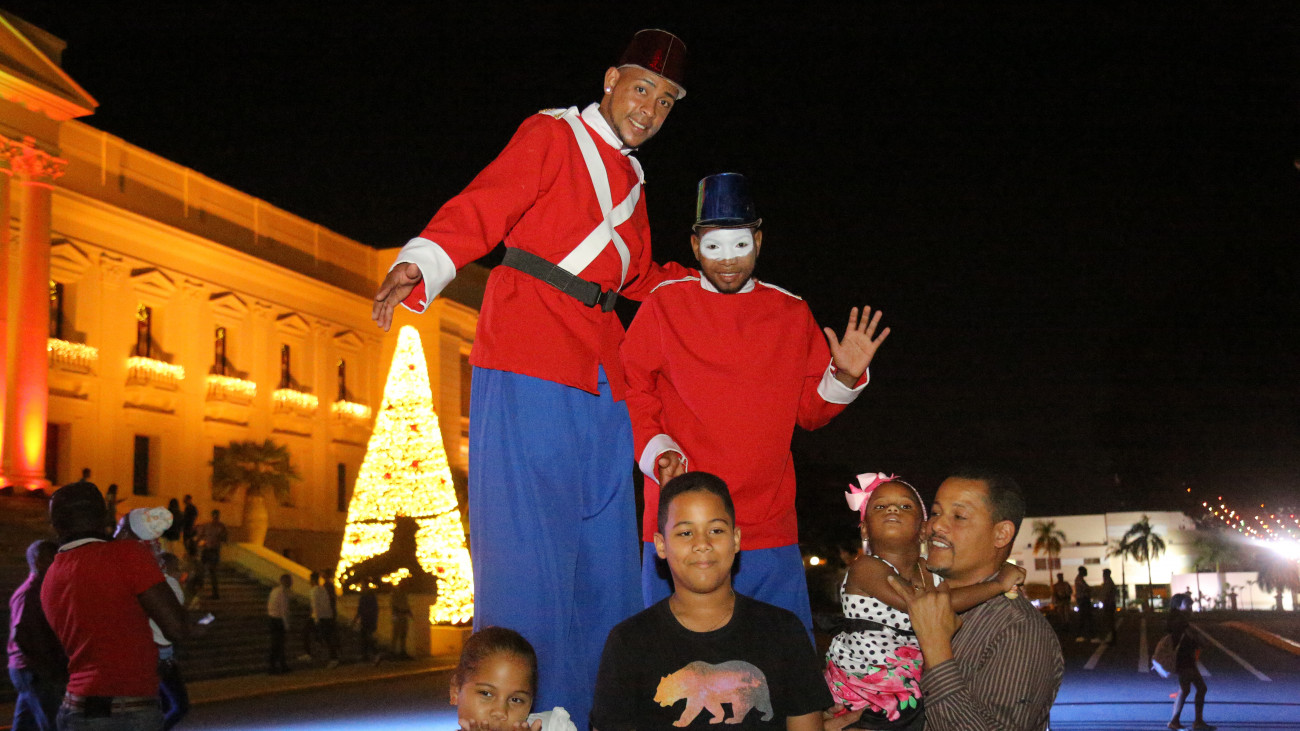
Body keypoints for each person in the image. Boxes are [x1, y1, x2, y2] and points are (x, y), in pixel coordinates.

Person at [370, 28, 692, 725]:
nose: (650, 108)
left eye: (667, 100)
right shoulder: (552, 134)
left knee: (605, 559)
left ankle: (602, 711)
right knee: (526, 551)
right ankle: (519, 714)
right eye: (642, 88)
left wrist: (713, 283)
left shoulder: (634, 182)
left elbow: (638, 275)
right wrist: (422, 261)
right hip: (531, 349)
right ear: (610, 80)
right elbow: (484, 204)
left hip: (603, 371)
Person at [621, 173, 890, 630]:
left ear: (759, 241)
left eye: (740, 244)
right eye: (714, 246)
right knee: (676, 658)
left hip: (768, 523)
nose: (728, 260)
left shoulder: (792, 312)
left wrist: (844, 375)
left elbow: (810, 412)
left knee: (779, 656)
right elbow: (633, 389)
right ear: (694, 245)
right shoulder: (663, 305)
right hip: (683, 523)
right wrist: (657, 449)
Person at [592, 472, 831, 731]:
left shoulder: (783, 631)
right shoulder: (629, 642)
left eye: (716, 530)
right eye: (685, 533)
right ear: (661, 545)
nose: (702, 544)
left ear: (736, 539)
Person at [824, 474, 1025, 729]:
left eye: (905, 506)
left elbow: (953, 594)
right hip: (862, 686)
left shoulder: (928, 572)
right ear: (864, 529)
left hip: (905, 690)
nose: (892, 509)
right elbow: (930, 605)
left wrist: (993, 573)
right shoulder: (866, 567)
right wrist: (997, 585)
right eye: (880, 506)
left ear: (922, 530)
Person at [881, 468, 1063, 731]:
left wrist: (936, 648)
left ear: (1001, 534)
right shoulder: (919, 599)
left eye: (959, 516)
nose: (936, 526)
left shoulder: (1017, 629)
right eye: (935, 513)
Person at [41, 481, 188, 731]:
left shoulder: (51, 576)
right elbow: (176, 628)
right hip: (126, 711)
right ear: (104, 515)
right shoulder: (128, 555)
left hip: (74, 708)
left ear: (54, 525)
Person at [450, 626, 578, 731]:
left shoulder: (554, 727)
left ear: (530, 703)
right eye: (486, 693)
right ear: (455, 691)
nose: (500, 712)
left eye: (516, 700)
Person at [8, 540, 66, 731]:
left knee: (27, 723)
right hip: (34, 670)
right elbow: (23, 634)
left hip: (30, 669)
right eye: (52, 557)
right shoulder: (32, 592)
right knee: (54, 723)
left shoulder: (41, 589)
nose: (57, 562)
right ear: (38, 560)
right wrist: (49, 669)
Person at [155, 554, 189, 731]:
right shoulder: (169, 583)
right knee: (180, 705)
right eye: (177, 568)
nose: (180, 573)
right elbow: (174, 620)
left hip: (157, 652)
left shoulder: (155, 585)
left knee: (165, 704)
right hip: (162, 655)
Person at [1166, 607, 1214, 730]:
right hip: (1186, 663)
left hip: (1184, 663)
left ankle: (1181, 721)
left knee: (1187, 690)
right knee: (1197, 689)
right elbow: (1197, 643)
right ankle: (1192, 721)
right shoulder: (1184, 627)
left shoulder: (1176, 626)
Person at [196, 509, 227, 599]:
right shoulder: (211, 526)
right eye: (214, 516)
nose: (215, 518)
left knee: (211, 571)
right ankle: (201, 587)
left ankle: (214, 593)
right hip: (208, 549)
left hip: (213, 550)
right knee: (203, 569)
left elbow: (224, 538)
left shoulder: (220, 527)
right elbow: (201, 536)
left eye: (216, 516)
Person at [267, 574, 292, 675]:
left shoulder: (275, 591)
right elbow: (283, 610)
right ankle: (274, 666)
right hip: (278, 620)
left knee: (277, 644)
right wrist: (286, 625)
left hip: (272, 618)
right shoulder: (282, 593)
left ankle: (281, 664)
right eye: (289, 581)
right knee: (278, 644)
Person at [353, 585, 379, 664]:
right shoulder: (369, 598)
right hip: (367, 620)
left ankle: (372, 653)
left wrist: (355, 619)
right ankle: (367, 654)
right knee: (366, 638)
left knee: (367, 638)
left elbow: (360, 610)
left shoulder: (366, 598)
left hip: (367, 620)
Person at [390, 578, 413, 659]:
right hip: (398, 615)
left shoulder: (404, 593)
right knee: (396, 633)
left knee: (403, 634)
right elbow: (394, 604)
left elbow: (406, 604)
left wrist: (408, 612)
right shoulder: (396, 593)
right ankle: (393, 651)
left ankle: (402, 651)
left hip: (403, 615)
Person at [1073, 566, 1097, 643]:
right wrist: (1092, 589)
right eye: (1085, 571)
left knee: (1084, 618)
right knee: (1087, 618)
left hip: (1083, 600)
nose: (1086, 572)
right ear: (1081, 571)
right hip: (1083, 600)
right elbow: (1086, 588)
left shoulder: (1080, 579)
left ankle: (1082, 635)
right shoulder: (1079, 580)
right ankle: (1088, 636)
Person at [1100, 568, 1118, 643]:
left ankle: (1111, 638)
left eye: (1104, 574)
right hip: (1109, 603)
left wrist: (1103, 599)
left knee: (1109, 621)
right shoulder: (1109, 582)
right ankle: (1111, 638)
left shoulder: (1108, 582)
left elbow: (1106, 594)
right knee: (1110, 621)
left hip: (1109, 604)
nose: (1103, 575)